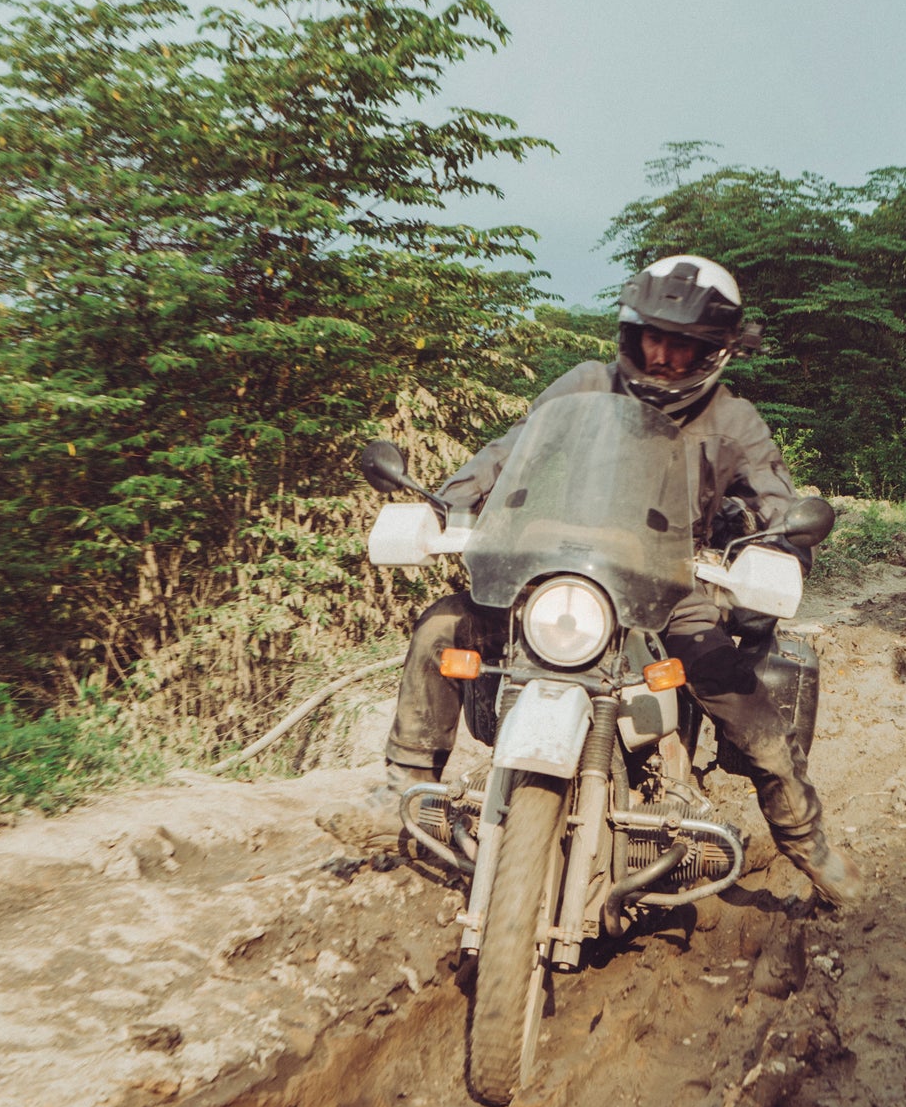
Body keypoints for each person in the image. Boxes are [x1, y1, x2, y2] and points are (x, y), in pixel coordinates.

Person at [321, 254, 865, 906]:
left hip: (671, 591)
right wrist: (441, 504)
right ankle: (399, 788)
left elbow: (778, 502)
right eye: (653, 337)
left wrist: (778, 553)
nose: (662, 356)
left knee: (743, 697)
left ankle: (807, 841)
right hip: (548, 575)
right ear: (631, 333)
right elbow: (510, 452)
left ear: (715, 351)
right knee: (443, 624)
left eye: (683, 344)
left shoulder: (734, 421)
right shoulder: (585, 383)